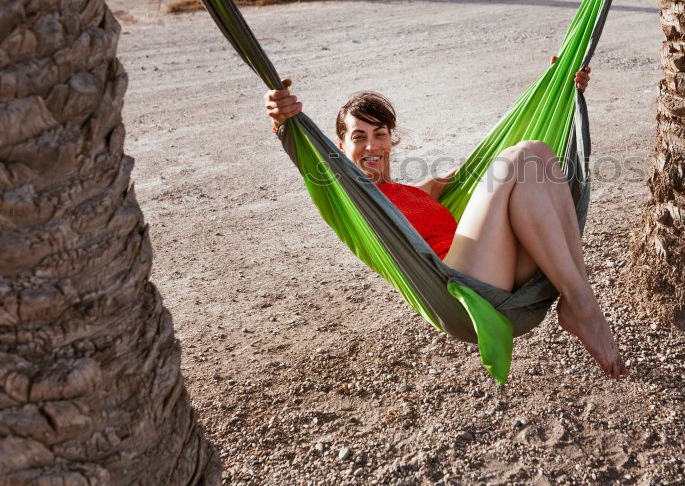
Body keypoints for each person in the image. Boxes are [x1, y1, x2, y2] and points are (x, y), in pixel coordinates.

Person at [264, 65, 628, 379]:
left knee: (539, 157)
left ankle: (579, 299)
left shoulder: (420, 190)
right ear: (340, 148)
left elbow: (479, 171)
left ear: (392, 141)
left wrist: (559, 91)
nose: (371, 146)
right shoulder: (350, 200)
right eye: (358, 137)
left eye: (380, 135)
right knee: (525, 154)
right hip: (458, 290)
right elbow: (310, 163)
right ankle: (583, 308)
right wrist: (285, 122)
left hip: (497, 274)